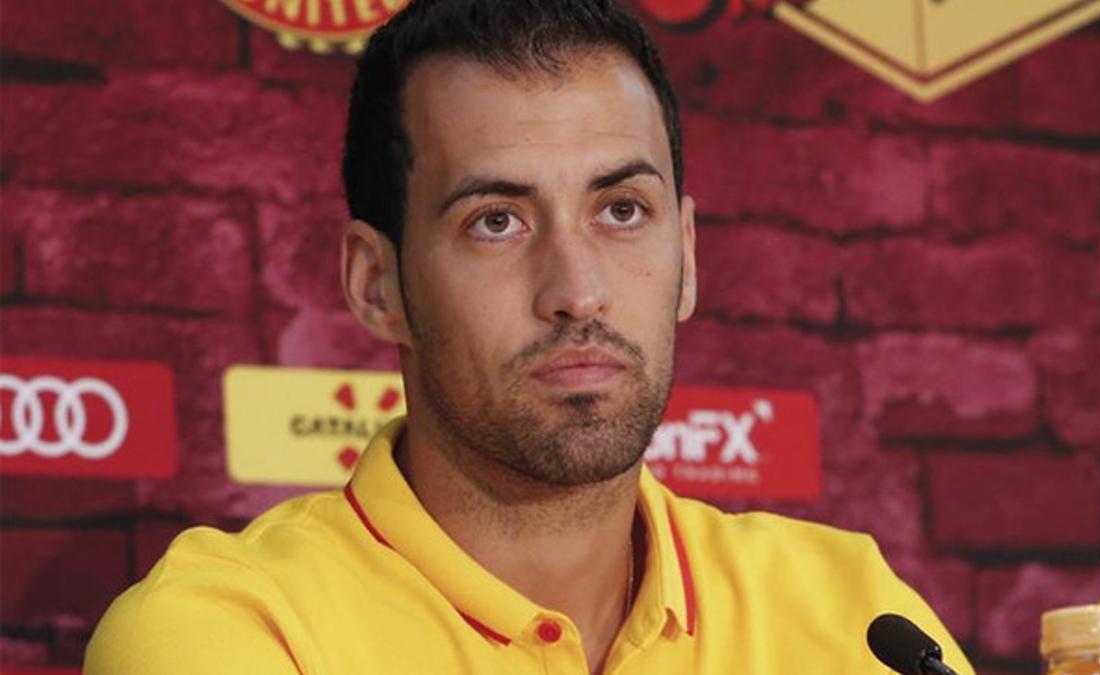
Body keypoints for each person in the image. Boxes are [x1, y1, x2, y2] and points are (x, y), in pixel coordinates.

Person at [84, 1, 974, 673]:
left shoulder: (853, 613)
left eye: (622, 210)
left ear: (688, 256)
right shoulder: (234, 629)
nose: (577, 291)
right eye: (497, 221)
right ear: (376, 282)